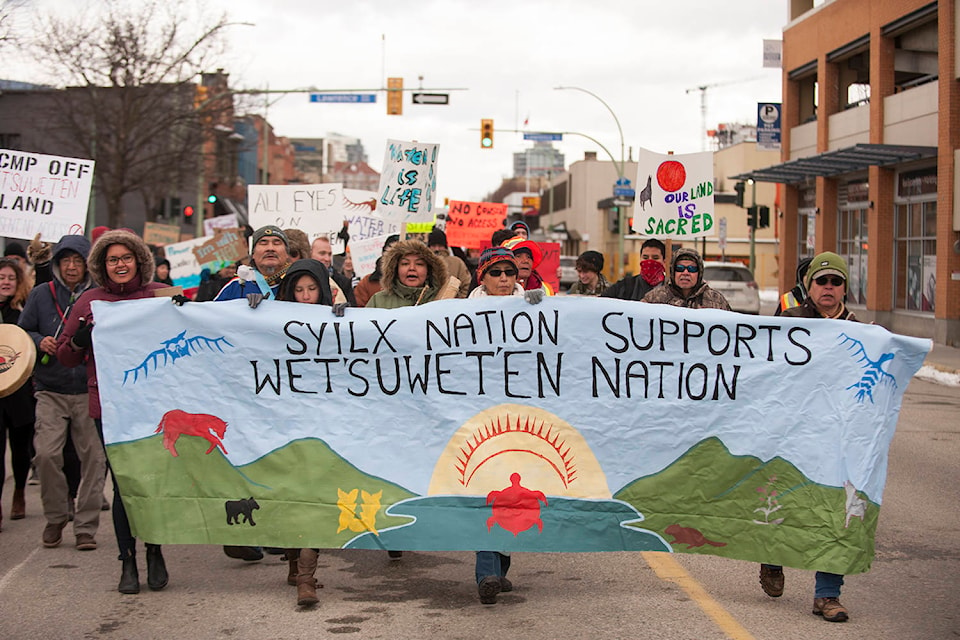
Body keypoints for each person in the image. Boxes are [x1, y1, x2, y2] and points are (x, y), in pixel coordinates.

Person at [56, 229, 170, 594]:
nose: (120, 265)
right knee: (124, 485)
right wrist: (78, 340)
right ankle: (128, 560)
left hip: (153, 406)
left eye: (126, 258)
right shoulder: (90, 301)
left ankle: (155, 551)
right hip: (110, 409)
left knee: (151, 483)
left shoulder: (159, 296)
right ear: (102, 266)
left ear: (139, 260)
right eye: (112, 260)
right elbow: (63, 354)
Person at [759, 251, 857, 623]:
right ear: (809, 286)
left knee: (834, 516)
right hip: (791, 435)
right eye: (822, 281)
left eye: (836, 282)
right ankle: (772, 558)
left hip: (836, 442)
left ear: (845, 288)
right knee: (783, 507)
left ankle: (827, 595)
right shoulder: (789, 323)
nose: (828, 288)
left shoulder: (859, 330)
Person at [465, 246, 543, 604]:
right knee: (487, 495)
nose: (503, 279)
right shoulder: (459, 313)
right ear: (483, 277)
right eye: (495, 273)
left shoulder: (534, 308)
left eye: (509, 273)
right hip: (475, 420)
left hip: (519, 420)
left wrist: (544, 310)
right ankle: (487, 574)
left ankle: (500, 570)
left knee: (512, 498)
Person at [18, 235, 105, 550]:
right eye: (65, 260)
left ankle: (86, 527)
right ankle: (56, 516)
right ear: (56, 264)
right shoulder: (42, 294)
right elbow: (23, 329)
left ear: (87, 265)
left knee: (95, 458)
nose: (71, 266)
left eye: (77, 261)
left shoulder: (98, 295)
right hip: (50, 389)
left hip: (88, 388)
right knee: (46, 453)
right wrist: (40, 340)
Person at [274, 259, 335, 606]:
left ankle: (306, 578)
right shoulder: (275, 320)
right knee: (292, 494)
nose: (306, 296)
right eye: (299, 290)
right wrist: (255, 312)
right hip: (285, 425)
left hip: (323, 427)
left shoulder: (337, 321)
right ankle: (294, 563)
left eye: (312, 289)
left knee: (315, 498)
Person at [0, 257, 36, 526]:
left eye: (11, 278)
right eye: (1, 277)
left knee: (21, 448)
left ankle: (20, 492)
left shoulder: (24, 310)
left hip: (20, 391)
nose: (6, 282)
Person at [366, 239, 458, 309]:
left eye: (419, 264)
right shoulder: (378, 301)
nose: (412, 268)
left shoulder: (443, 301)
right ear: (395, 269)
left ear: (429, 270)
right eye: (405, 264)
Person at [215, 225, 292, 307]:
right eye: (263, 243)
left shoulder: (296, 284)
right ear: (253, 254)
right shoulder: (237, 285)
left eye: (276, 243)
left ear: (287, 253)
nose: (270, 248)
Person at [642, 247, 731, 310]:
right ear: (673, 272)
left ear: (699, 273)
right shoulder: (654, 298)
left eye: (692, 269)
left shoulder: (716, 300)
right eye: (680, 268)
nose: (685, 273)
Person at [602, 238, 667, 301]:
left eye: (655, 258)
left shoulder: (672, 289)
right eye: (645, 257)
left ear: (664, 262)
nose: (650, 261)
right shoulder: (624, 286)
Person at [353, 234, 398, 308]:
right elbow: (358, 312)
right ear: (384, 253)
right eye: (391, 253)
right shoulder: (366, 283)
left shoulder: (413, 282)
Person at [311, 236, 355, 305]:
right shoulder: (300, 278)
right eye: (322, 253)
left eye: (329, 254)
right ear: (310, 253)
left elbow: (352, 309)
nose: (327, 259)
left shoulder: (343, 282)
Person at [427, 227, 471, 298]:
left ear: (445, 247)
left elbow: (467, 284)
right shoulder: (424, 262)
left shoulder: (457, 262)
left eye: (440, 246)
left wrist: (459, 302)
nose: (437, 249)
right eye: (434, 246)